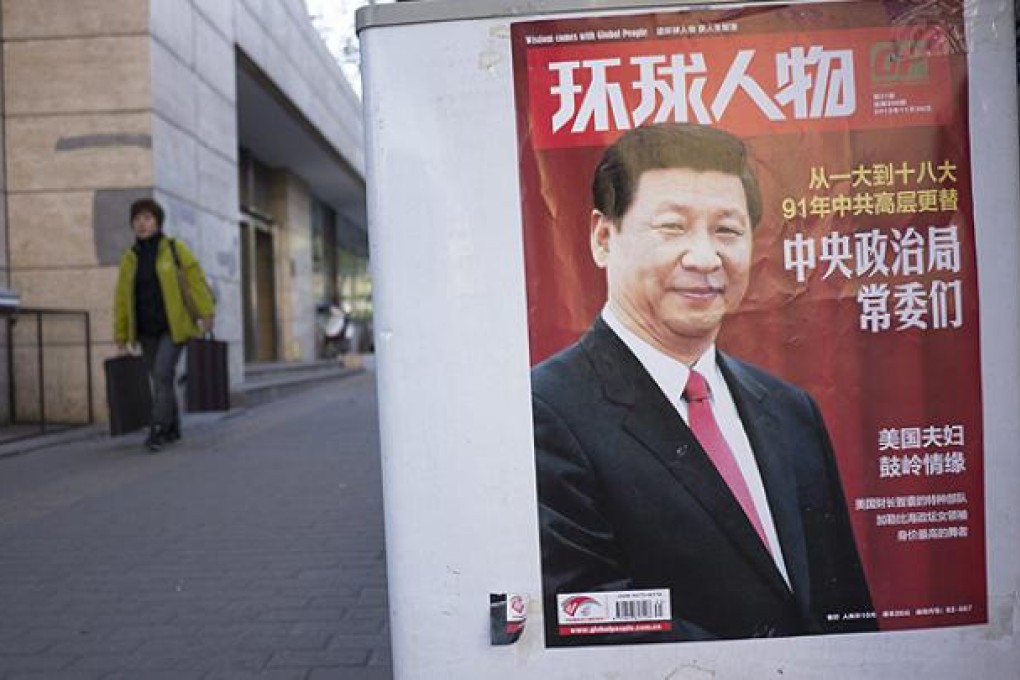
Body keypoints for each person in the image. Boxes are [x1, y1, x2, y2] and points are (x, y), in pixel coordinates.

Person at [531, 123, 876, 645]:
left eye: (728, 231)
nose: (705, 258)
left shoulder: (789, 410)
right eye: (672, 228)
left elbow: (846, 607)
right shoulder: (543, 410)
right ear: (604, 238)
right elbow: (586, 619)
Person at [113, 198, 215, 452]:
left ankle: (158, 428)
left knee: (161, 374)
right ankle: (173, 427)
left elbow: (196, 281)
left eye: (147, 218)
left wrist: (207, 313)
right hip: (146, 330)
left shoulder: (174, 249)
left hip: (174, 327)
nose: (141, 224)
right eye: (137, 220)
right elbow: (121, 299)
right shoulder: (129, 259)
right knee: (161, 379)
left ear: (158, 222)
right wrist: (121, 335)